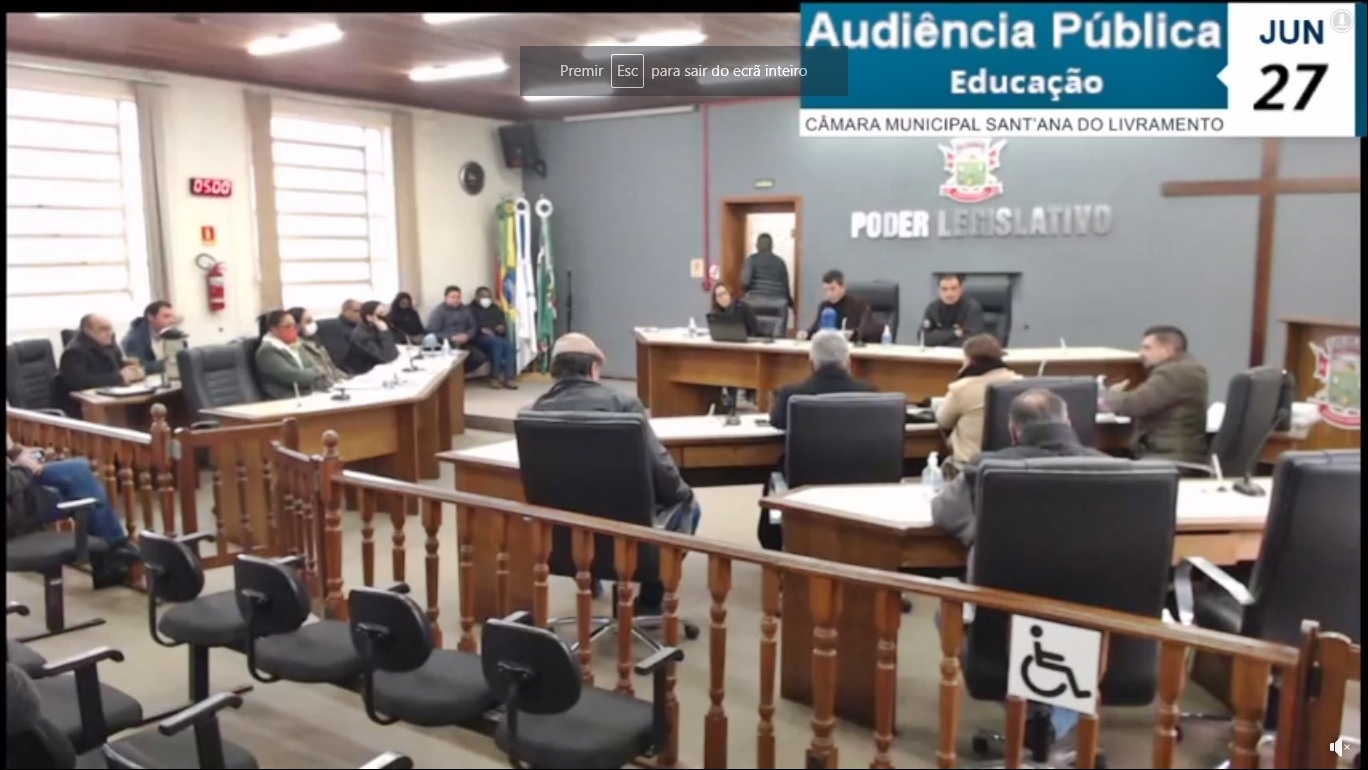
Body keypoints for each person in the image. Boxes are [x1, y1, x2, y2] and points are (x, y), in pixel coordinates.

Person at [930, 389, 1107, 751]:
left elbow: (944, 513)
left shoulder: (987, 470)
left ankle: (1034, 715)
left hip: (1006, 628)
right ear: (1069, 421)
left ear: (1013, 431)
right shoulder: (1117, 472)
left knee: (946, 613)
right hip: (1101, 630)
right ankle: (1056, 718)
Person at [526, 333, 701, 614]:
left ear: (555, 372)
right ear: (593, 368)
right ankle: (649, 604)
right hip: (624, 533)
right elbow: (660, 468)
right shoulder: (623, 406)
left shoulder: (533, 412)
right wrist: (682, 494)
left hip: (563, 538)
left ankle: (589, 575)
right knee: (687, 505)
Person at [756, 330, 877, 551]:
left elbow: (776, 423)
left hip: (804, 484)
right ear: (848, 362)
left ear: (811, 363)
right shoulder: (870, 393)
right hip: (858, 485)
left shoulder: (792, 395)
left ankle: (777, 548)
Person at [7, 432, 139, 561]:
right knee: (81, 488)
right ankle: (114, 549)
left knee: (79, 472)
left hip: (16, 483)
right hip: (14, 503)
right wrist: (25, 468)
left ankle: (112, 550)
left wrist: (17, 453)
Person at [1100, 325, 1210, 465]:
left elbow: (1137, 403)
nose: (1141, 353)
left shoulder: (1175, 372)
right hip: (1164, 453)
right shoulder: (1184, 368)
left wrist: (1107, 397)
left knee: (1099, 464)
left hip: (1172, 457)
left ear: (1167, 350)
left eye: (1147, 348)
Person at [937, 334, 1022, 465]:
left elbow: (943, 421)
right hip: (1010, 465)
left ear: (969, 360)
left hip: (969, 467)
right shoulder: (1020, 384)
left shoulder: (961, 389)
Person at [59, 314, 145, 396]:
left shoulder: (109, 345)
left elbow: (114, 369)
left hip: (112, 396)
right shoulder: (74, 352)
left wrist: (132, 370)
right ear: (87, 330)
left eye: (110, 329)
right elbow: (80, 382)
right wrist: (120, 377)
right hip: (83, 403)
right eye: (103, 329)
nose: (110, 333)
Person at [254, 310, 332, 400]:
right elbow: (295, 377)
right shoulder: (267, 352)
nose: (294, 330)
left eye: (295, 326)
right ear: (274, 329)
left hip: (310, 395)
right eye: (288, 326)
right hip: (287, 400)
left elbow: (313, 365)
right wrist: (318, 370)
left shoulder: (295, 345)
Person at [796, 270, 882, 342]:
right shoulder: (824, 306)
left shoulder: (859, 305)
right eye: (826, 290)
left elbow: (870, 331)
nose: (829, 294)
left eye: (833, 289)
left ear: (843, 287)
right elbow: (815, 329)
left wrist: (853, 334)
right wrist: (806, 334)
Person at [425, 285, 488, 374]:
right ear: (446, 298)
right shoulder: (438, 311)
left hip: (464, 343)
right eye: (453, 297)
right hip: (446, 344)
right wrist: (451, 337)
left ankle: (458, 375)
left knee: (480, 357)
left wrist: (467, 336)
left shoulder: (466, 309)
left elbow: (473, 327)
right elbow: (432, 332)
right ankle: (452, 376)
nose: (456, 300)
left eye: (458, 297)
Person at [471, 286, 519, 389]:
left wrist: (502, 327)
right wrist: (481, 329)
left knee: (509, 345)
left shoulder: (495, 308)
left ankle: (509, 378)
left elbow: (502, 321)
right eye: (483, 296)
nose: (486, 299)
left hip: (496, 336)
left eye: (488, 296)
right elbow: (469, 325)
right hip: (479, 338)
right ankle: (494, 378)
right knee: (497, 344)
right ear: (477, 297)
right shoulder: (470, 309)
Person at [287, 307, 348, 388]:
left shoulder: (316, 343)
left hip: (336, 384)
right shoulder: (297, 347)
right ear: (296, 326)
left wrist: (349, 379)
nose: (313, 324)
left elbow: (332, 368)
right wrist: (333, 385)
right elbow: (316, 375)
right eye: (308, 321)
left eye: (312, 320)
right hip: (323, 388)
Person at [920, 273, 986, 348]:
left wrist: (942, 343)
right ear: (938, 290)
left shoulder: (972, 308)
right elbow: (924, 337)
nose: (949, 294)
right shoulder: (933, 307)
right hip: (937, 353)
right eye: (944, 289)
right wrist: (955, 333)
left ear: (961, 289)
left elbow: (972, 340)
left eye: (954, 288)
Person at [119, 300, 179, 375]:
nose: (171, 321)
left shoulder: (173, 333)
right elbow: (138, 366)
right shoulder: (133, 339)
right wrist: (170, 364)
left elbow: (181, 358)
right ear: (151, 317)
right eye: (166, 316)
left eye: (173, 317)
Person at [342, 301, 400, 375]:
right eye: (381, 313)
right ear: (369, 318)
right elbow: (386, 358)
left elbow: (394, 353)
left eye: (385, 312)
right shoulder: (362, 335)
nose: (385, 316)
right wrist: (384, 331)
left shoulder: (375, 328)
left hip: (377, 369)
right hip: (362, 374)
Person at [740, 233, 793, 312]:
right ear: (771, 246)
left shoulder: (751, 260)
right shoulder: (780, 262)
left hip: (755, 302)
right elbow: (785, 287)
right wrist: (791, 304)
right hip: (778, 303)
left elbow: (745, 283)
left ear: (757, 246)